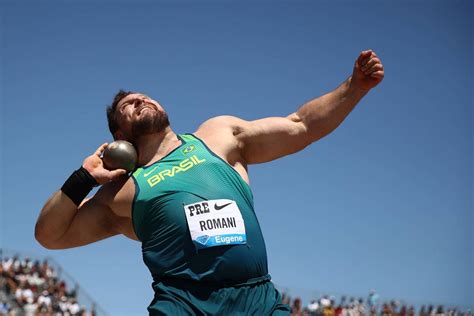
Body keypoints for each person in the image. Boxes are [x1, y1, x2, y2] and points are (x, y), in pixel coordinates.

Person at [35, 50, 384, 315]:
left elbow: (301, 126)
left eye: (143, 96)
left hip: (257, 300)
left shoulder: (217, 136)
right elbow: (51, 234)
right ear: (118, 135)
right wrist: (84, 178)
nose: (140, 100)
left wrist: (354, 87)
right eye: (128, 105)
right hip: (184, 305)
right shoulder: (121, 191)